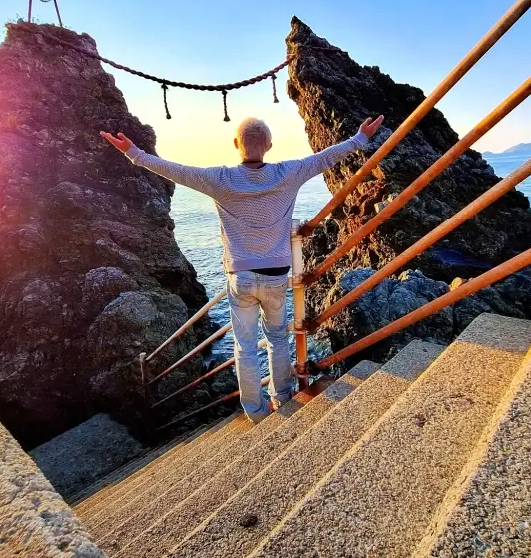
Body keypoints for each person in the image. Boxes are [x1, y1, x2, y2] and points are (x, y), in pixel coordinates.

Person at [101, 114, 384, 423]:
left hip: (241, 277)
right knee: (278, 339)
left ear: (237, 145)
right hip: (277, 276)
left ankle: (257, 413)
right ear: (270, 146)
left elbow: (177, 171)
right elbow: (326, 157)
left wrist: (134, 153)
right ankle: (284, 397)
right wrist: (359, 138)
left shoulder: (220, 179)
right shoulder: (289, 172)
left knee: (245, 347)